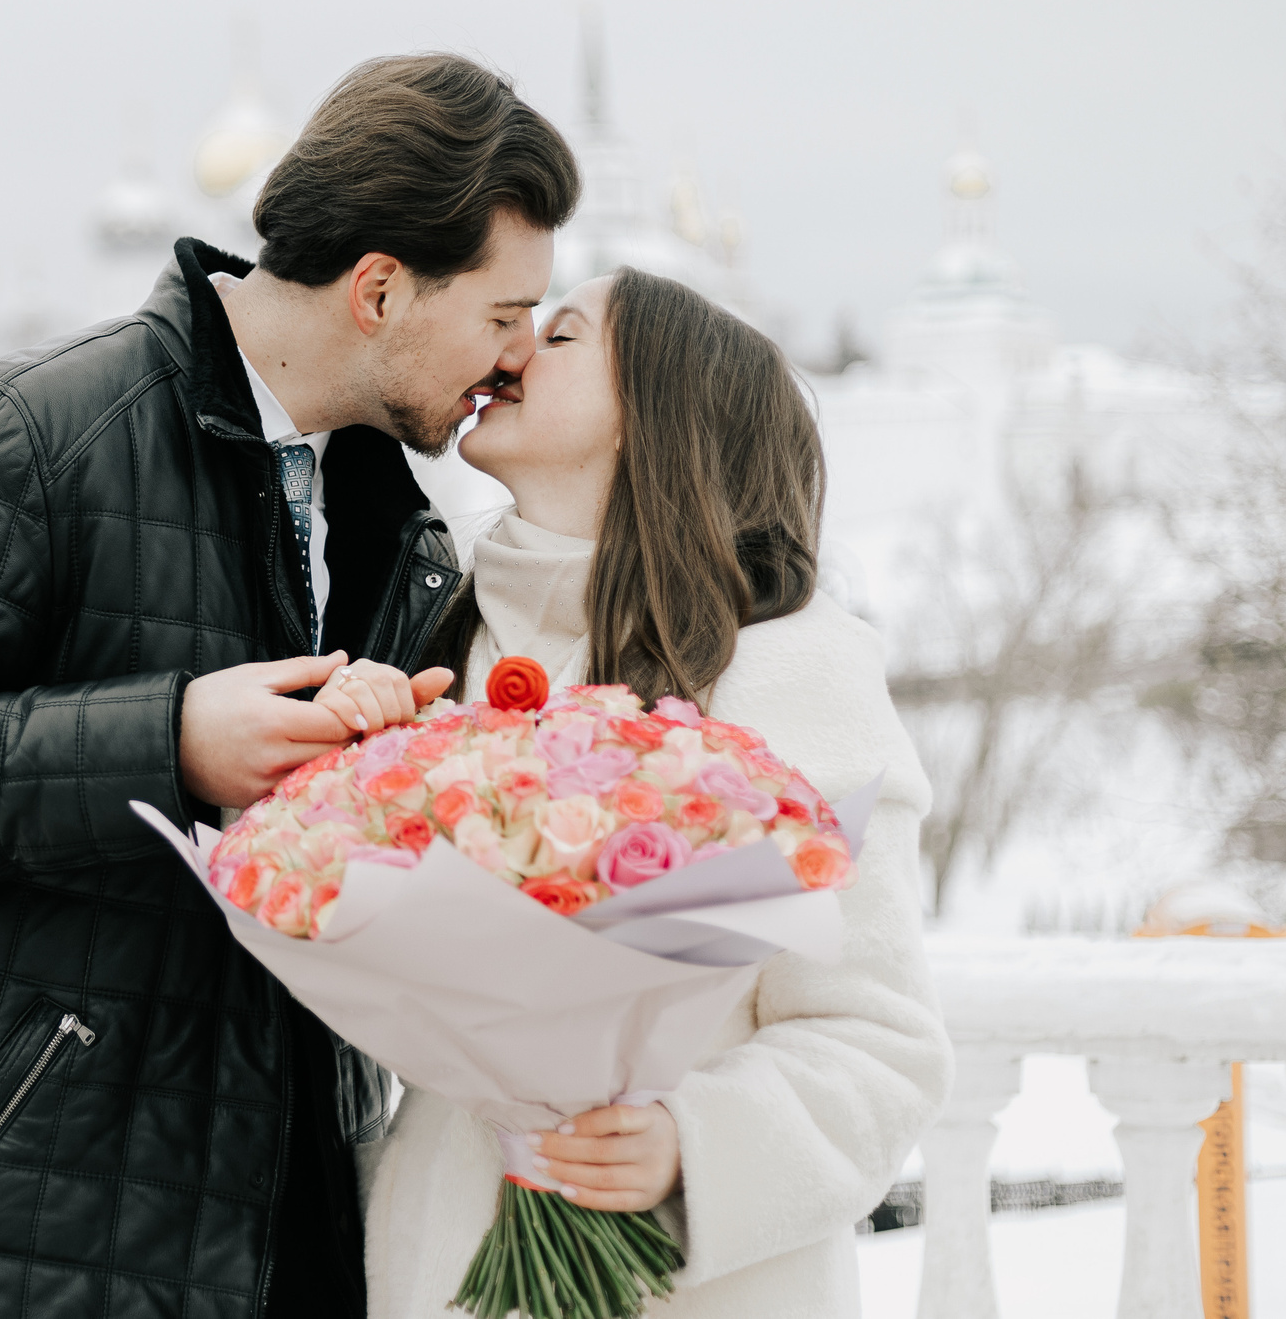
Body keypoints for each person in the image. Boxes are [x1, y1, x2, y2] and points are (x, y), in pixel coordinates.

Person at [0, 53, 579, 1319]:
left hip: (276, 1237)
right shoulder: (31, 431)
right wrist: (168, 740)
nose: (514, 360)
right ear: (379, 289)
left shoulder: (399, 527)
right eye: (504, 315)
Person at [358, 267, 953, 1316]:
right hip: (446, 1258)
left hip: (686, 1280)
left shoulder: (792, 677)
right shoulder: (430, 638)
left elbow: (875, 1040)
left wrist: (691, 1144)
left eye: (565, 334)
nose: (512, 351)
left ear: (653, 422)